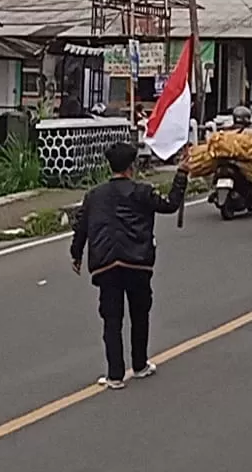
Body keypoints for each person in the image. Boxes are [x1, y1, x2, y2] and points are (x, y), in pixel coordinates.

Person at [71, 143, 187, 389]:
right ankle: (140, 365)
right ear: (131, 167)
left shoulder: (94, 195)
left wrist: (76, 254)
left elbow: (81, 226)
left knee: (112, 319)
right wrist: (182, 174)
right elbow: (170, 205)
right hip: (138, 263)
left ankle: (114, 376)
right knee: (139, 314)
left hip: (106, 264)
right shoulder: (142, 192)